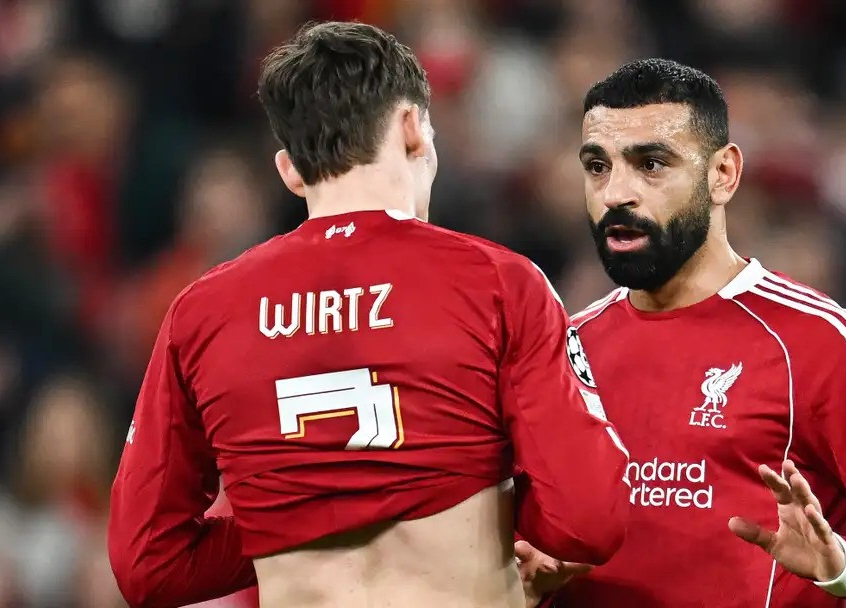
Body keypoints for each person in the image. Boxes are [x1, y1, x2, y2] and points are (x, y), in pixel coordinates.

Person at [107, 21, 630, 608]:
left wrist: (285, 516)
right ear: (412, 129)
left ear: (290, 169)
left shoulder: (203, 313)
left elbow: (148, 561)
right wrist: (487, 509)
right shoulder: (499, 284)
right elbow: (590, 518)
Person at [515, 59, 846, 608]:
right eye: (598, 166)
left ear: (723, 174)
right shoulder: (564, 349)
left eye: (651, 164)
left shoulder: (817, 339)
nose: (616, 193)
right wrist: (524, 581)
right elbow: (518, 546)